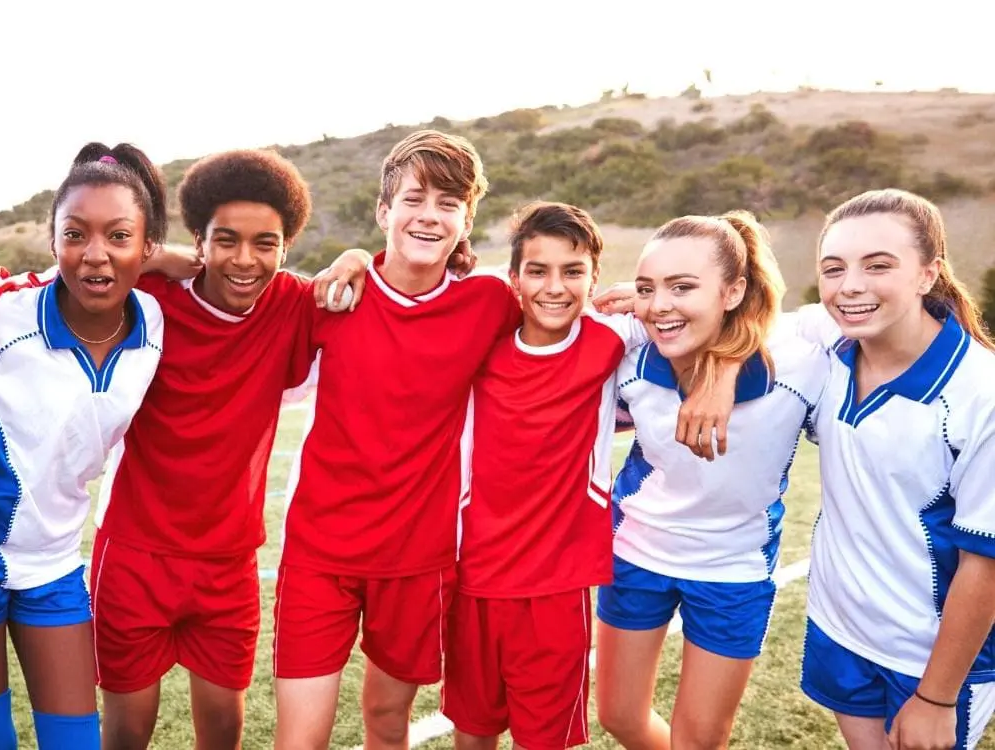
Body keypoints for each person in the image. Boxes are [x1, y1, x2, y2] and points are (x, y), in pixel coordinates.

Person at [86, 148, 372, 750]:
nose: (244, 260)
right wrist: (149, 255)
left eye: (265, 243)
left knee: (223, 730)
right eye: (225, 240)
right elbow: (85, 264)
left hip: (229, 562)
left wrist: (359, 256)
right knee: (128, 730)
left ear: (286, 248)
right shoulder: (151, 301)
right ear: (199, 241)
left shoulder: (295, 305)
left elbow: (382, 295)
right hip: (136, 552)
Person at [272, 128, 521, 750]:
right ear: (384, 211)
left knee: (387, 721)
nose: (429, 215)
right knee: (301, 738)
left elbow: (565, 317)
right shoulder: (333, 297)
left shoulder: (489, 302)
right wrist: (354, 257)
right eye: (414, 199)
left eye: (448, 204)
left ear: (466, 222)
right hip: (320, 551)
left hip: (419, 557)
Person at [595, 211, 828, 750]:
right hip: (636, 554)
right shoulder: (631, 354)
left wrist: (727, 364)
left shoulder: (798, 358)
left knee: (699, 740)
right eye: (648, 288)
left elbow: (832, 315)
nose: (661, 304)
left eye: (683, 286)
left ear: (734, 291)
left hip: (733, 570)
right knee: (620, 717)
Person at [442, 201, 648, 750]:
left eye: (572, 271)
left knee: (544, 739)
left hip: (557, 584)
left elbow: (696, 309)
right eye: (537, 271)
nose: (554, 287)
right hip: (472, 576)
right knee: (473, 730)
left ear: (593, 279)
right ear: (514, 279)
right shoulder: (481, 344)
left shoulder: (608, 338)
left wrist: (642, 294)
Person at [796, 189, 995, 750]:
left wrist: (936, 697)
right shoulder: (825, 347)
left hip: (929, 658)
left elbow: (986, 563)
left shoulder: (980, 393)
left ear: (928, 273)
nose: (849, 286)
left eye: (878, 265)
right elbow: (734, 321)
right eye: (833, 269)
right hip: (839, 626)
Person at [0, 143, 166, 749]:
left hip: (55, 562)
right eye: (75, 234)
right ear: (53, 243)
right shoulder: (8, 315)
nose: (95, 253)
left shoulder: (155, 322)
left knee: (75, 741)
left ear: (148, 248)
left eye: (119, 236)